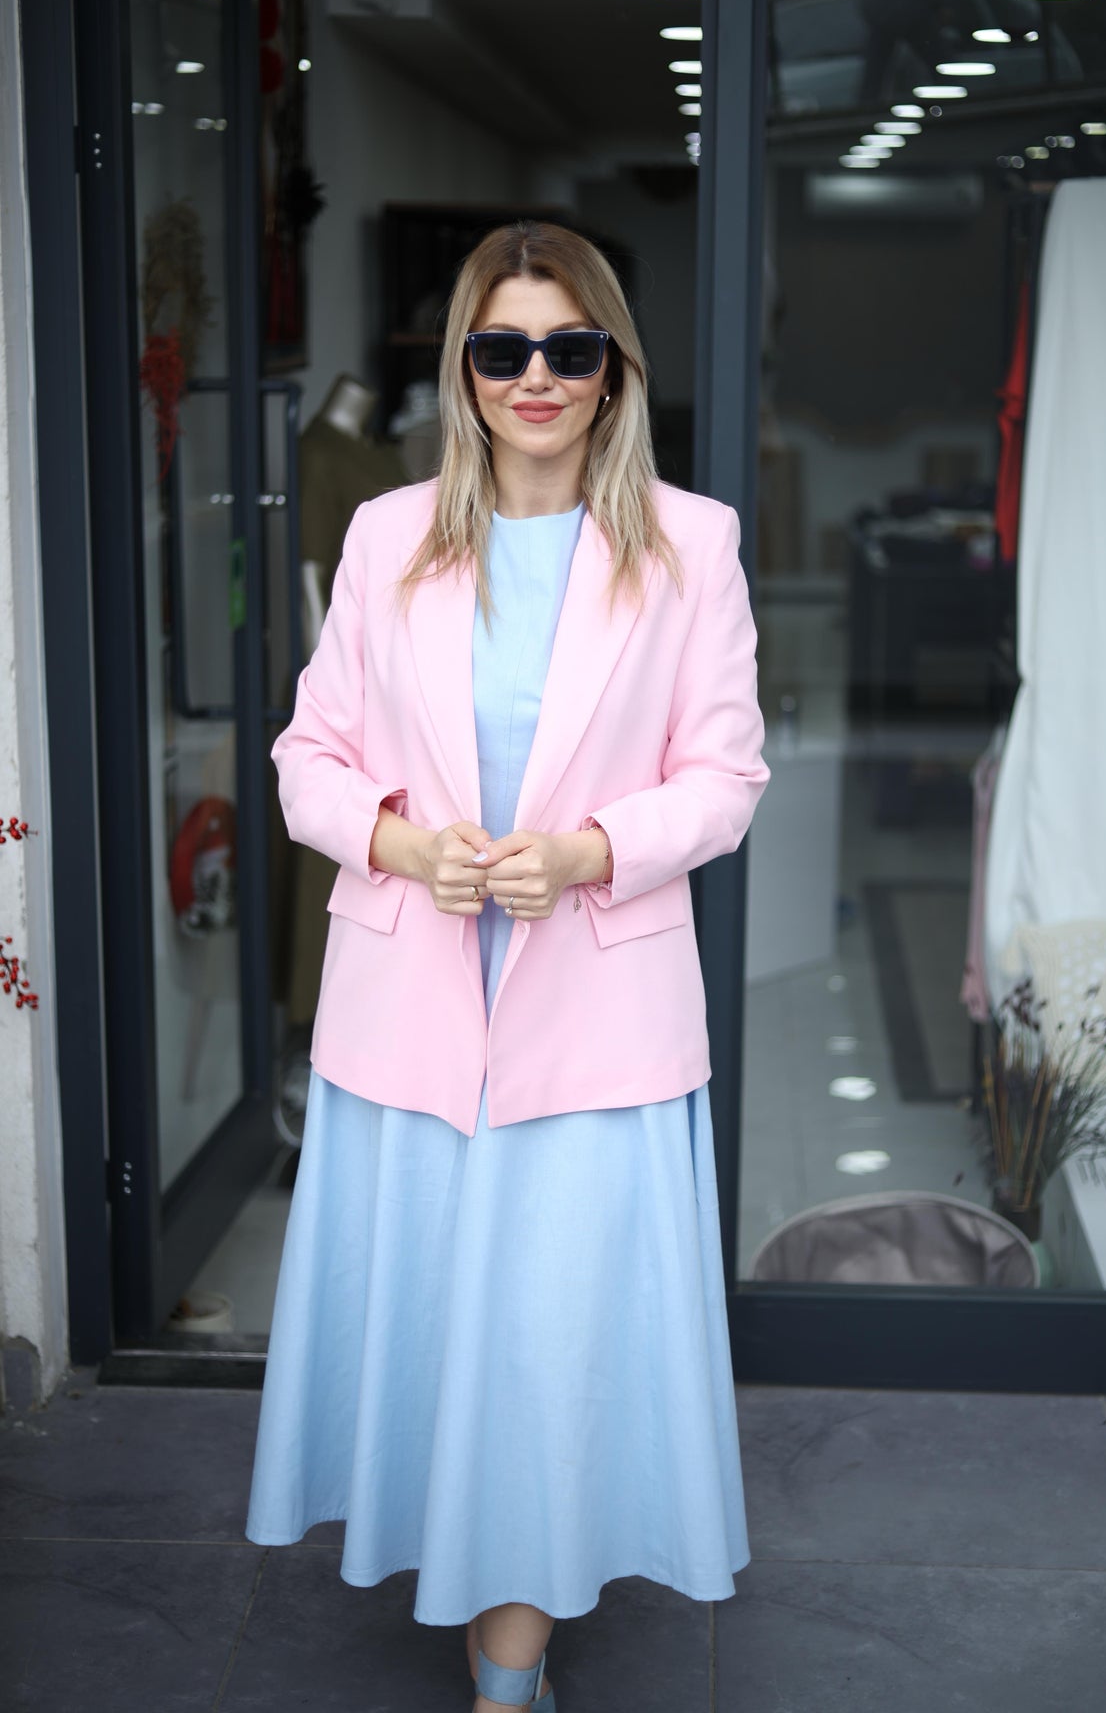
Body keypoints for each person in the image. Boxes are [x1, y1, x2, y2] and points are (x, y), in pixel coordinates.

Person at [245, 220, 770, 1713]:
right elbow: (306, 762)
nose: (535, 377)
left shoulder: (695, 544)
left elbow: (726, 779)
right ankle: (487, 1627)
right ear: (464, 369)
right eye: (502, 348)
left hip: (595, 1017)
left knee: (546, 1354)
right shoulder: (386, 536)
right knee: (434, 1336)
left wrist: (592, 850)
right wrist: (405, 844)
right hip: (411, 1010)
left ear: (613, 372)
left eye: (568, 348)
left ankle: (504, 1678)